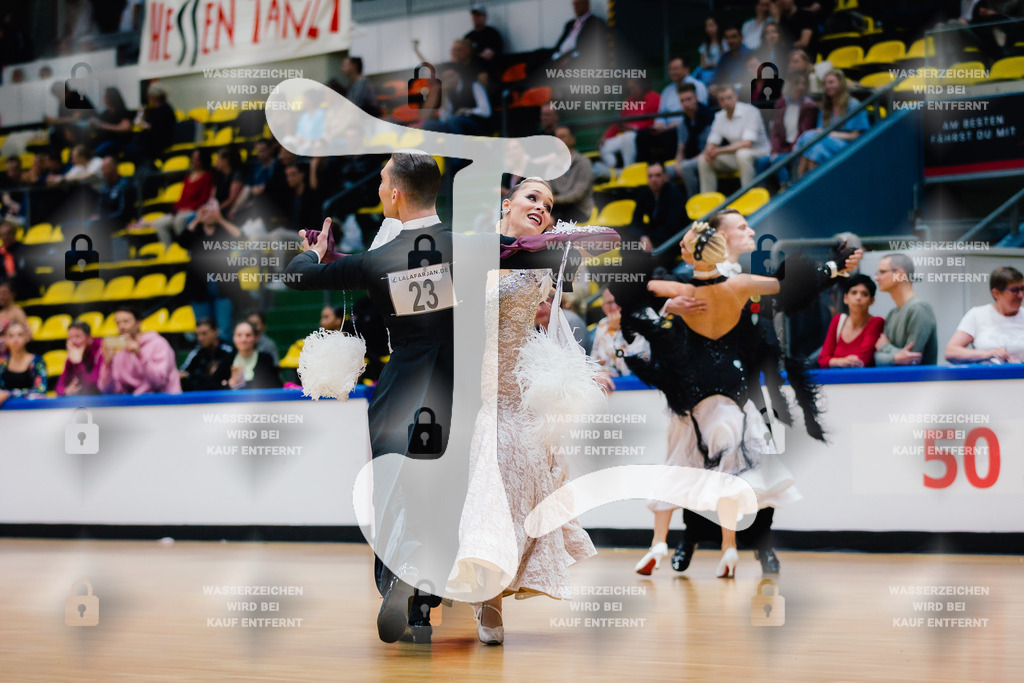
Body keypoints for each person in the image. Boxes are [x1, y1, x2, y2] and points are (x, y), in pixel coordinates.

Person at [617, 216, 860, 577]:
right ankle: (719, 546)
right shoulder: (739, 283)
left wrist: (664, 302)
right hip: (726, 389)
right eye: (742, 227)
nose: (749, 232)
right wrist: (832, 266)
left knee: (682, 464)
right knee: (731, 468)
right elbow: (789, 283)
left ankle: (665, 542)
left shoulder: (680, 285)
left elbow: (631, 292)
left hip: (706, 391)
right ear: (720, 238)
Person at [284, 152, 452, 645]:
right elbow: (529, 249)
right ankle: (426, 600)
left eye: (382, 181)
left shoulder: (379, 257)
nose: (378, 189)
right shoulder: (467, 244)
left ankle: (396, 579)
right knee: (444, 489)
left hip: (401, 385)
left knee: (391, 490)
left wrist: (315, 253)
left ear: (396, 193)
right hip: (455, 385)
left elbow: (298, 277)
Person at [448, 178, 616, 645]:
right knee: (479, 492)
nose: (541, 206)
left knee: (507, 488)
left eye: (548, 203)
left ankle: (490, 596)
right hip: (464, 390)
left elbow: (609, 240)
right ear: (506, 203)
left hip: (512, 398)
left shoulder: (540, 255)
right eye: (531, 197)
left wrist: (545, 238)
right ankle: (475, 586)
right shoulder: (470, 252)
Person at [796, 70, 869, 178]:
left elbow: (856, 135)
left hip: (848, 146)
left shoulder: (853, 104)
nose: (828, 86)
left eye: (831, 82)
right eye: (825, 83)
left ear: (840, 83)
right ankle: (810, 185)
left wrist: (830, 134)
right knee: (815, 149)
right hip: (825, 143)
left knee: (809, 137)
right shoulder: (826, 107)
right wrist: (824, 134)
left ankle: (797, 180)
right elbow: (819, 130)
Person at [697, 87, 771, 193]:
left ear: (736, 97)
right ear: (719, 102)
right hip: (735, 155)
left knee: (743, 154)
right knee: (703, 159)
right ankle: (708, 201)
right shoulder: (719, 116)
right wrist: (709, 151)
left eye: (729, 98)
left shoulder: (751, 111)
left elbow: (747, 143)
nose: (726, 102)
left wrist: (718, 151)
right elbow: (712, 140)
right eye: (722, 99)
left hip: (760, 152)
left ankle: (748, 195)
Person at [636, 57, 708, 164]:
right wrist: (658, 125)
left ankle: (670, 168)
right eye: (670, 69)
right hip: (666, 128)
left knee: (668, 135)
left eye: (675, 69)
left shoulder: (698, 86)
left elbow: (699, 112)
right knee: (642, 135)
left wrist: (668, 127)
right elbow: (661, 113)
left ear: (686, 69)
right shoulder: (667, 90)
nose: (672, 72)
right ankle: (647, 169)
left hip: (687, 127)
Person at [945, 266, 1024, 363]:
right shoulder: (977, 315)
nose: (1021, 295)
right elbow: (951, 352)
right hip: (987, 376)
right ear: (996, 293)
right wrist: (988, 354)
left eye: (1022, 289)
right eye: (1014, 290)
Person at [98, 306, 182, 395]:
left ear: (138, 323)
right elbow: (109, 391)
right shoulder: (120, 350)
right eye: (118, 323)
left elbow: (158, 382)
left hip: (165, 402)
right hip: (135, 404)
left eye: (126, 321)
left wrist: (139, 354)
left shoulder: (158, 344)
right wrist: (108, 365)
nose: (121, 326)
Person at [873, 253, 937, 366]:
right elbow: (877, 358)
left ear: (900, 274)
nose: (876, 278)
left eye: (882, 272)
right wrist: (894, 357)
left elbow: (912, 359)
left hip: (919, 382)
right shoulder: (892, 314)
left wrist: (886, 347)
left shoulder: (919, 309)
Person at [818, 274, 885, 368]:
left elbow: (863, 360)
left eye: (864, 294)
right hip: (834, 381)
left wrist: (833, 361)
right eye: (854, 292)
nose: (858, 298)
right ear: (845, 298)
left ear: (872, 301)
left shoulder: (876, 322)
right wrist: (841, 362)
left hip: (862, 380)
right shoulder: (838, 321)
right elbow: (822, 359)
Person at [151, 149, 216, 245]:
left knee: (179, 220)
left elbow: (204, 199)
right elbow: (182, 198)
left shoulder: (207, 176)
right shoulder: (188, 176)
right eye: (193, 159)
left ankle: (182, 247)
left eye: (197, 159)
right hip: (183, 210)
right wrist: (176, 209)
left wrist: (187, 209)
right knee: (160, 223)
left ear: (203, 160)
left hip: (195, 210)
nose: (193, 161)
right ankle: (169, 251)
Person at [598, 78, 660, 170]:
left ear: (642, 87)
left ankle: (629, 169)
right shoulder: (629, 100)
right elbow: (619, 122)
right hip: (626, 133)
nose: (631, 91)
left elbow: (652, 121)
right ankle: (614, 170)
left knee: (628, 136)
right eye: (629, 88)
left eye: (634, 88)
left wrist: (634, 128)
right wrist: (606, 135)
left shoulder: (654, 97)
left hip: (643, 135)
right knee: (604, 145)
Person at [670, 83, 715, 199]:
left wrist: (684, 164)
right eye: (682, 101)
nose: (686, 104)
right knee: (664, 172)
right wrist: (677, 163)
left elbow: (709, 148)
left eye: (689, 99)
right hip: (690, 159)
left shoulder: (709, 117)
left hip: (708, 156)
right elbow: (680, 149)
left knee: (686, 167)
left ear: (696, 98)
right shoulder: (683, 124)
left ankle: (692, 201)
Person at [591, 287, 649, 377]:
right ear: (603, 307)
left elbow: (629, 369)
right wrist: (599, 374)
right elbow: (594, 362)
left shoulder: (640, 322)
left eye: (618, 301)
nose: (614, 307)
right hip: (610, 386)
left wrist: (615, 331)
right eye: (609, 303)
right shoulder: (603, 324)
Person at [630, 161, 686, 250]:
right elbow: (635, 223)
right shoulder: (644, 194)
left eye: (658, 175)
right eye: (650, 176)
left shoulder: (674, 195)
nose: (654, 179)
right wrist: (642, 237)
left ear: (666, 177)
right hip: (654, 237)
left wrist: (650, 239)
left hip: (674, 241)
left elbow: (671, 228)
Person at [547, 126, 595, 225]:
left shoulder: (583, 163)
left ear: (572, 139)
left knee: (554, 218)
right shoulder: (552, 165)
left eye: (562, 137)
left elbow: (578, 195)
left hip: (580, 209)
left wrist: (555, 199)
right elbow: (547, 187)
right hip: (559, 206)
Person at [548, 0, 609, 70]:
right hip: (558, 55)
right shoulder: (570, 24)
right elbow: (558, 46)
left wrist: (568, 58)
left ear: (587, 5)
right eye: (574, 5)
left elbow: (588, 49)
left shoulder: (595, 23)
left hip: (574, 59)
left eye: (579, 4)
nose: (576, 7)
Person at [179, 318, 235, 391]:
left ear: (216, 332)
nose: (200, 338)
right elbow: (182, 372)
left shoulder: (229, 351)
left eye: (204, 334)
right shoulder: (197, 353)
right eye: (198, 335)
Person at [0, 320, 46, 406]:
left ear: (27, 337)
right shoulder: (2, 363)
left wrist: (8, 394)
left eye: (20, 335)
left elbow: (40, 391)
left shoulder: (37, 361)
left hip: (31, 411)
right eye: (11, 335)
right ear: (5, 339)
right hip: (5, 413)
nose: (15, 339)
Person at [227, 321, 281, 389]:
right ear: (233, 338)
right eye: (239, 335)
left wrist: (242, 384)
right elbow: (212, 384)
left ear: (256, 337)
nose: (243, 340)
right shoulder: (228, 360)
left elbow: (274, 384)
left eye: (248, 335)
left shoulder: (265, 359)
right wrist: (228, 384)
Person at [56, 321, 104, 396]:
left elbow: (94, 388)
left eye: (78, 337)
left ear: (89, 339)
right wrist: (66, 391)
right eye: (70, 337)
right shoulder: (72, 356)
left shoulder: (101, 353)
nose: (73, 342)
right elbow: (59, 387)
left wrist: (78, 363)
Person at [464, 5, 504, 87]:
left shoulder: (492, 34)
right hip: (470, 72)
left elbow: (488, 56)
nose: (475, 18)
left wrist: (473, 56)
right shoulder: (468, 36)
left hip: (487, 72)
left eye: (478, 15)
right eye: (474, 15)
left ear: (484, 17)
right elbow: (463, 56)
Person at [89, 87, 133, 157]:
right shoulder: (105, 113)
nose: (104, 98)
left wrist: (104, 126)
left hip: (116, 141)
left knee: (99, 151)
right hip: (101, 139)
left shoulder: (122, 112)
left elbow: (125, 128)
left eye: (105, 96)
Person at [713, 24, 752, 89]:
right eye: (727, 38)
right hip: (727, 92)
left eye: (734, 37)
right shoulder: (724, 58)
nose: (730, 41)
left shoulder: (751, 55)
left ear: (741, 37)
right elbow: (717, 79)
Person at [697, 16, 726, 84]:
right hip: (708, 71)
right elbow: (702, 64)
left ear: (718, 26)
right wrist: (709, 65)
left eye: (711, 25)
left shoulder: (725, 43)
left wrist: (715, 64)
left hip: (722, 70)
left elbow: (727, 61)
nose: (708, 28)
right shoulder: (704, 46)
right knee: (703, 74)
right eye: (706, 26)